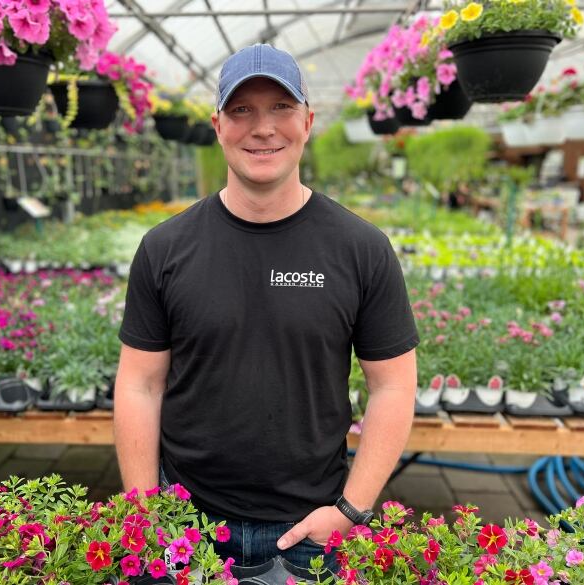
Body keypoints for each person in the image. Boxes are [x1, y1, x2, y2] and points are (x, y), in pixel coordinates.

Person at [114, 44, 419, 574]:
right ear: (217, 125)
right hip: (189, 526)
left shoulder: (360, 248)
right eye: (242, 110)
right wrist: (147, 515)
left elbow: (393, 385)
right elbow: (140, 384)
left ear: (308, 120)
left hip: (311, 530)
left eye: (280, 107)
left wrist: (350, 510)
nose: (262, 128)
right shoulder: (165, 248)